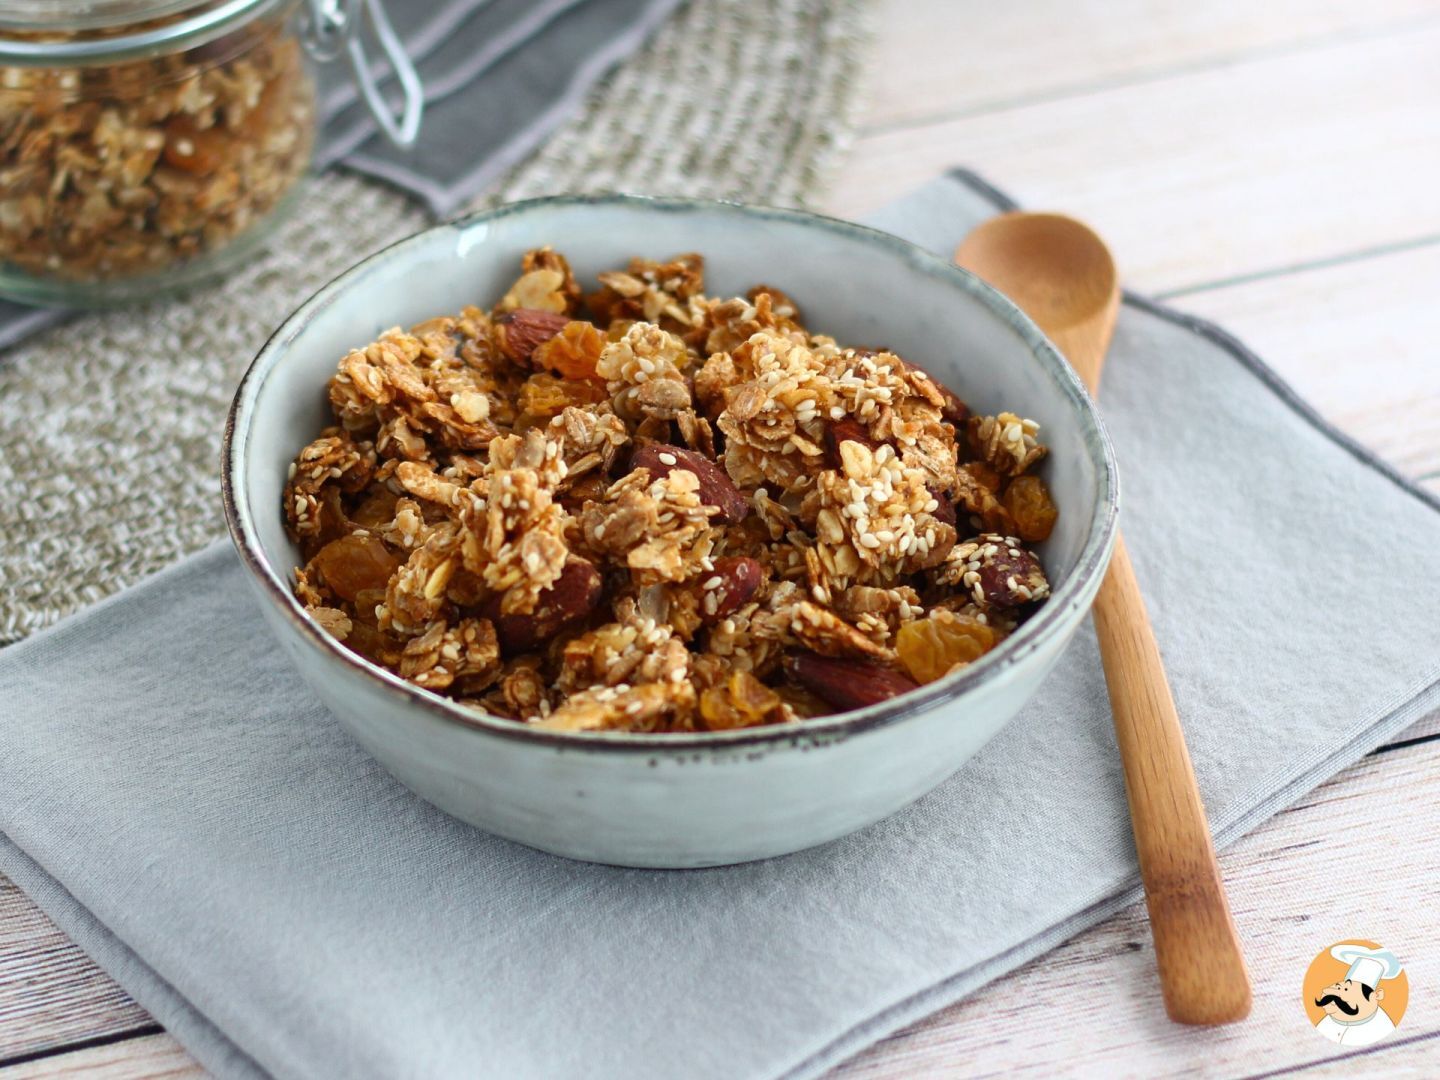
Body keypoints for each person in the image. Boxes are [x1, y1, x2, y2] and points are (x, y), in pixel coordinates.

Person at [1313, 945, 1403, 1047]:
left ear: (1376, 995)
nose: (1331, 992)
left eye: (1346, 990)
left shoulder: (1379, 1029)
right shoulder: (1327, 1022)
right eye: (1338, 987)